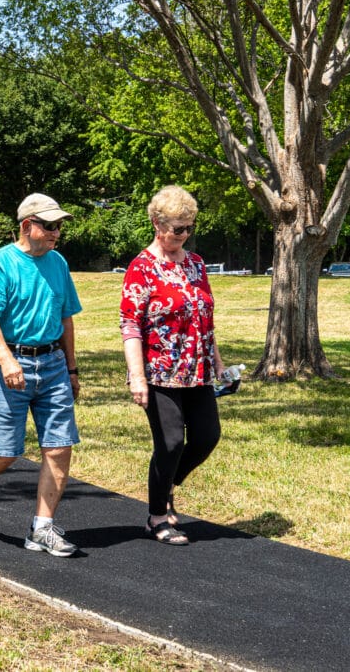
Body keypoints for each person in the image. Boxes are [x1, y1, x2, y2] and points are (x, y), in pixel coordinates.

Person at [0, 193, 82, 557]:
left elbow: (66, 319)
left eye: (59, 226)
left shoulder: (58, 263)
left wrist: (72, 368)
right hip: (8, 364)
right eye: (49, 225)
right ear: (27, 226)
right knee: (4, 453)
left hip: (53, 364)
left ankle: (41, 528)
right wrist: (6, 359)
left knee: (59, 448)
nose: (57, 232)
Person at [119, 185, 228, 546]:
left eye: (189, 228)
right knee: (169, 444)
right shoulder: (142, 268)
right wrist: (137, 377)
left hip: (197, 371)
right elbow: (131, 324)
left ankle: (164, 486)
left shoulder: (196, 264)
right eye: (178, 228)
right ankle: (156, 517)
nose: (184, 235)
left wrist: (218, 364)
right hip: (160, 372)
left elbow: (204, 318)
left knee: (207, 437)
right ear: (156, 224)